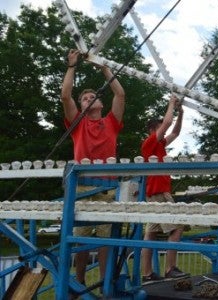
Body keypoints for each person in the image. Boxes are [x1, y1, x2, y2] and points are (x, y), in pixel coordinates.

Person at [61, 49, 126, 285]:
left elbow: (119, 94)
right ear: (82, 106)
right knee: (81, 241)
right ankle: (78, 283)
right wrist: (72, 66)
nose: (90, 99)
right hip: (82, 189)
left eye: (93, 97)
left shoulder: (111, 122)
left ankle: (104, 282)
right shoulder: (77, 123)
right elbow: (65, 96)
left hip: (107, 189)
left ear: (100, 101)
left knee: (105, 240)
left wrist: (104, 67)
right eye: (85, 98)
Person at [140, 94, 187, 282]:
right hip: (158, 192)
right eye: (160, 128)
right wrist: (171, 104)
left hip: (156, 193)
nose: (164, 131)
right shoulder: (150, 143)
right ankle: (170, 268)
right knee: (177, 226)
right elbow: (168, 124)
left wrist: (181, 114)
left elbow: (174, 132)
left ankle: (147, 274)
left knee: (150, 234)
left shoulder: (159, 145)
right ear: (153, 130)